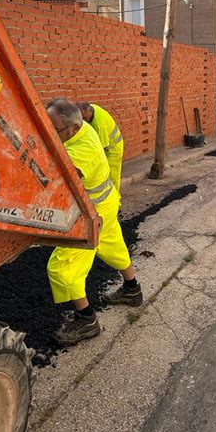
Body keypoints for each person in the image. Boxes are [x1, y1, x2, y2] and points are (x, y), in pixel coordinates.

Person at [46, 98, 142, 346]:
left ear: (73, 128)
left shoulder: (82, 152)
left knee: (63, 265)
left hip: (93, 213)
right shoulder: (80, 129)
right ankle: (133, 290)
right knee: (112, 246)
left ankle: (86, 320)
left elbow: (56, 179)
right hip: (106, 204)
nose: (50, 133)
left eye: (54, 130)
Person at [76, 102, 124, 204]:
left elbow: (100, 151)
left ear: (89, 111)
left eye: (84, 118)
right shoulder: (92, 109)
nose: (84, 121)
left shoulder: (100, 125)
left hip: (113, 148)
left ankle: (116, 201)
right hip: (106, 143)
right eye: (81, 119)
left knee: (112, 176)